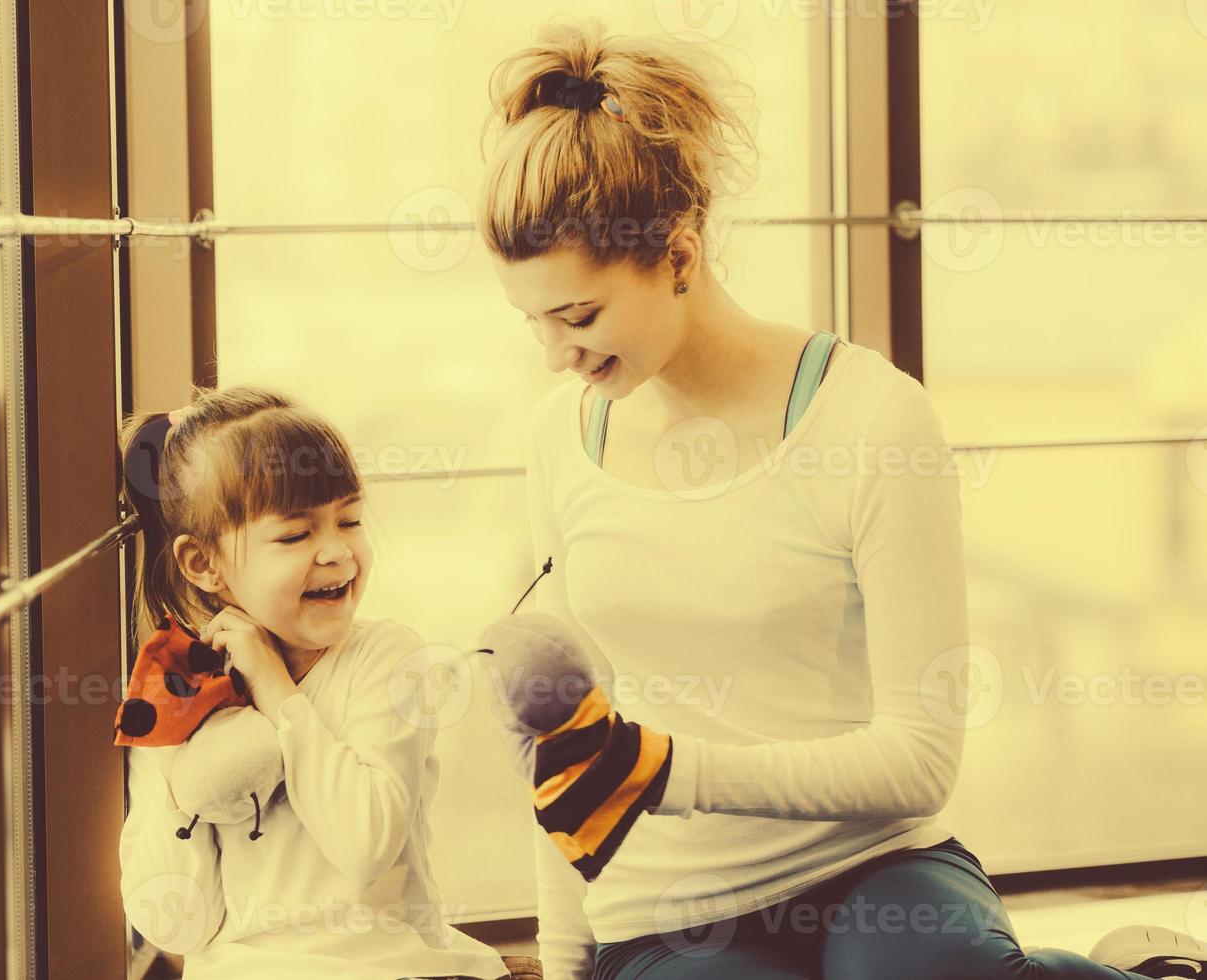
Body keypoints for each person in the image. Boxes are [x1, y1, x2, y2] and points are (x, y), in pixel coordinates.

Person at [477, 19, 1207, 980]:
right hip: (665, 909)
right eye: (533, 321)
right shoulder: (559, 438)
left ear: (680, 253)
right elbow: (563, 757)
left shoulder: (873, 420)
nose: (556, 355)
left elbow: (917, 758)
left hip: (874, 866)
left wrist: (663, 769)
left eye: (579, 316)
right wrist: (565, 965)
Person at [116, 385, 510, 980]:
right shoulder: (180, 686)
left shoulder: (385, 658)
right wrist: (178, 768)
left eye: (349, 520)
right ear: (204, 564)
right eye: (295, 536)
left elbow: (365, 845)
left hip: (393, 968)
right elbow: (176, 924)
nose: (336, 552)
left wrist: (277, 690)